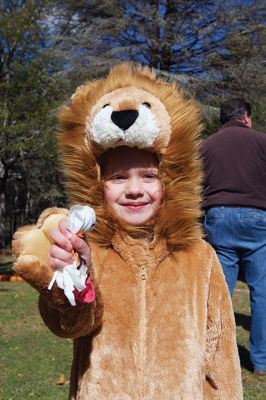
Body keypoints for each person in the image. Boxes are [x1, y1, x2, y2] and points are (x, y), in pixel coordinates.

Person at [12, 63, 242, 399]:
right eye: (118, 178)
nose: (134, 190)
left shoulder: (200, 257)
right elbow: (69, 326)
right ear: (98, 186)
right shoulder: (88, 251)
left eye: (149, 177)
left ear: (171, 182)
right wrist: (72, 281)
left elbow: (220, 354)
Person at [201, 98, 266, 376]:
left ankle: (216, 357)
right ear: (247, 118)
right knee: (262, 291)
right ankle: (261, 361)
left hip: (218, 215)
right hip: (258, 217)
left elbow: (194, 185)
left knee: (220, 292)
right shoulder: (262, 142)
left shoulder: (206, 146)